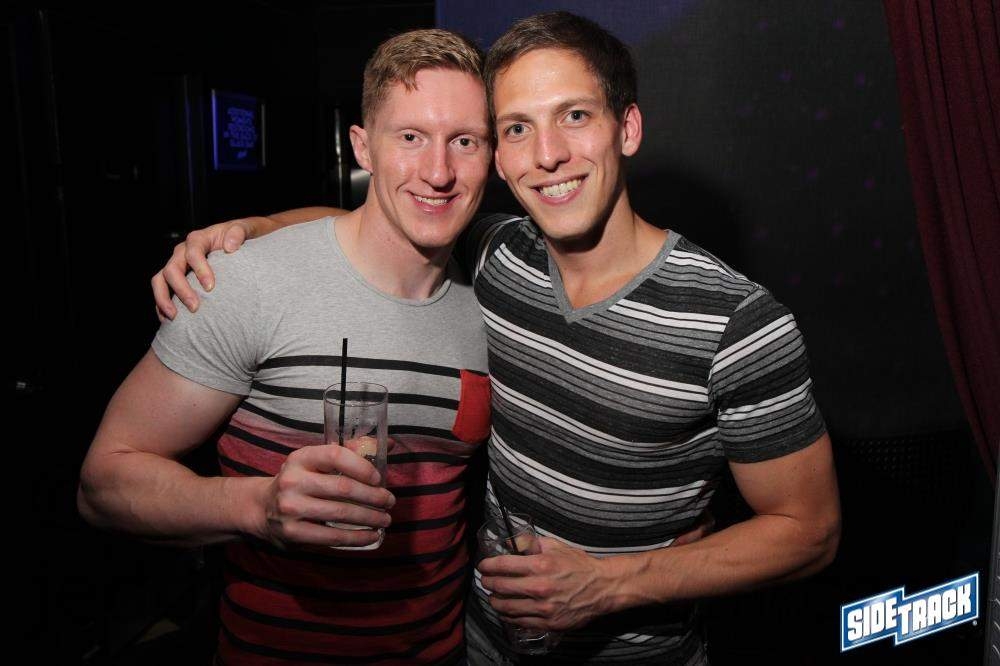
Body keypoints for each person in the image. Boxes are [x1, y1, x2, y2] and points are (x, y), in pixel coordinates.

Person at [155, 12, 840, 665]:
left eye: (575, 116)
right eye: (516, 128)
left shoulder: (738, 321)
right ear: (501, 160)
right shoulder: (495, 256)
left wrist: (614, 583)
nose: (548, 155)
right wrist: (251, 230)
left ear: (627, 128)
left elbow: (810, 531)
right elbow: (378, 220)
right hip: (477, 644)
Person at [78, 29, 496, 665]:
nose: (438, 172)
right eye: (410, 137)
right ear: (363, 147)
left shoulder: (493, 297)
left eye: (464, 141)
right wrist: (258, 507)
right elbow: (103, 484)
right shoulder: (248, 283)